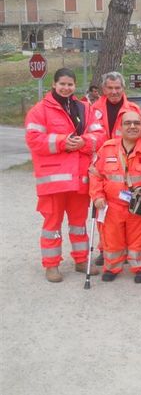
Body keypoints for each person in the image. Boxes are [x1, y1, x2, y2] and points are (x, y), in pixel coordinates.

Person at [25, 68, 103, 282]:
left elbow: (100, 135)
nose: (66, 88)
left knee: (79, 224)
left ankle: (81, 260)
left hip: (79, 178)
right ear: (54, 85)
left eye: (70, 84)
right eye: (62, 84)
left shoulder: (84, 108)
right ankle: (51, 265)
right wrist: (61, 142)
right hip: (54, 181)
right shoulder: (39, 110)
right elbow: (33, 140)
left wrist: (84, 142)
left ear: (74, 86)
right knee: (52, 226)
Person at [89, 111, 141, 283]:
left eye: (137, 123)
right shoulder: (107, 148)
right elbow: (95, 174)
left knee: (139, 239)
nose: (132, 126)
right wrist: (97, 195)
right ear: (120, 127)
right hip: (111, 205)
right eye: (128, 123)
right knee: (111, 238)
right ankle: (112, 266)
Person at [91, 71, 141, 266]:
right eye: (110, 88)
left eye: (117, 88)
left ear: (123, 89)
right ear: (103, 89)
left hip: (128, 166)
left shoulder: (134, 109)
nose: (114, 92)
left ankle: (128, 250)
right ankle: (105, 249)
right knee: (102, 212)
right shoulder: (93, 109)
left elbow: (140, 135)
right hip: (103, 164)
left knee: (128, 212)